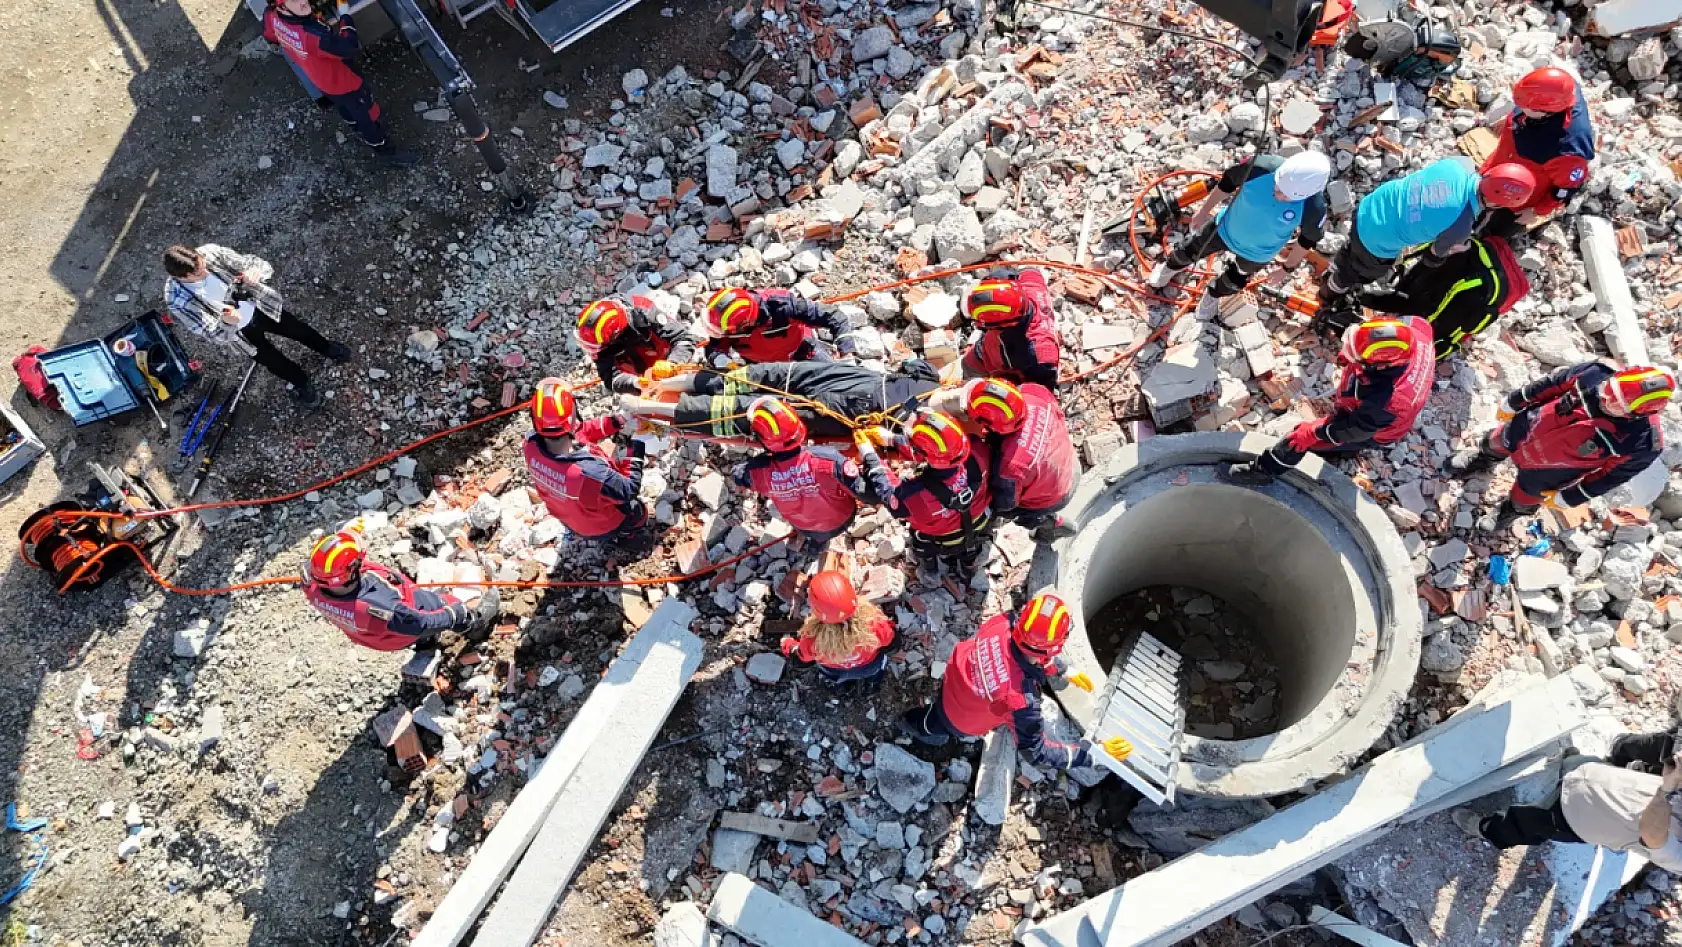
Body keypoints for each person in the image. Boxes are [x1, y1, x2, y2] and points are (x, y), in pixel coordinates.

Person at [897, 592, 1132, 771]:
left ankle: (920, 721)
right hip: (960, 717)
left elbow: (1023, 654)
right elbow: (1037, 753)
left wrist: (1062, 670)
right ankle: (913, 726)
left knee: (937, 712)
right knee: (935, 724)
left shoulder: (1002, 623)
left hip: (955, 678)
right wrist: (1092, 755)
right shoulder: (1021, 700)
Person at [1448, 363, 1671, 529]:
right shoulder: (1596, 373)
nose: (1603, 397)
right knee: (1495, 442)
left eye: (1615, 403)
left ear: (1638, 414)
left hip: (1553, 469)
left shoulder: (1642, 444)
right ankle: (1483, 460)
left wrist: (1571, 497)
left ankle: (1510, 512)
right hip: (1529, 426)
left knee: (1526, 497)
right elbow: (1552, 383)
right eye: (1608, 389)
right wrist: (1514, 401)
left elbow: (1609, 478)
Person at [1320, 158, 1538, 326]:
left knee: (1353, 249)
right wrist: (1455, 248)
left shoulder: (1457, 165)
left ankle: (1337, 265)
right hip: (1377, 241)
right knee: (1359, 272)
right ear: (1497, 203)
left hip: (1371, 205)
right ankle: (1330, 290)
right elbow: (1432, 257)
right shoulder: (1460, 226)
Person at [1227, 318, 1435, 483]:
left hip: (1377, 429)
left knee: (1301, 439)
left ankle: (1264, 471)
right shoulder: (1414, 329)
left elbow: (1355, 429)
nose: (1345, 351)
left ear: (1379, 366)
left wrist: (1312, 433)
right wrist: (1354, 353)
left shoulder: (1387, 401)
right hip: (1373, 401)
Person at [1452, 729, 1682, 871]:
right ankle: (1572, 764)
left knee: (1524, 824)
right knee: (1579, 763)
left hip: (1575, 816)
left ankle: (1487, 829)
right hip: (1602, 776)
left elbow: (1652, 834)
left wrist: (1666, 789)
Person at [162, 243, 352, 408]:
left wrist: (255, 272)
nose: (205, 272)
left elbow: (254, 262)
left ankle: (326, 348)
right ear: (182, 277)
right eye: (198, 274)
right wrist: (226, 323)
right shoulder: (175, 299)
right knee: (274, 362)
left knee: (299, 330)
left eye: (203, 264)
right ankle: (302, 383)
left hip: (261, 307)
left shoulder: (210, 253)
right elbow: (208, 331)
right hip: (240, 335)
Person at [1147, 152, 1332, 317]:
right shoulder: (1260, 167)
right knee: (1190, 248)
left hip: (1257, 253)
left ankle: (1214, 294)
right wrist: (1204, 211)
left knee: (1235, 279)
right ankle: (1171, 266)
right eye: (1277, 187)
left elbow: (1306, 241)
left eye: (1286, 196)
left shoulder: (1314, 208)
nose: (1278, 195)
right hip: (1225, 227)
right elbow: (1226, 183)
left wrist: (1286, 269)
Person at [622, 359, 950, 442]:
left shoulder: (928, 386)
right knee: (754, 390)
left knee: (751, 404)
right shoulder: (924, 422)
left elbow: (910, 366)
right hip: (848, 396)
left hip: (845, 399)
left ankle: (654, 402)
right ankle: (660, 393)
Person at [262, 0, 418, 166]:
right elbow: (348, 47)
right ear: (281, 7)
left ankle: (354, 126)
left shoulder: (271, 16)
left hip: (322, 81)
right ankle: (384, 149)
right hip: (346, 83)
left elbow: (270, 37)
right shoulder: (313, 37)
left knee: (344, 107)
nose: (303, 1)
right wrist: (344, 15)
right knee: (365, 115)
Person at [856, 410, 994, 586]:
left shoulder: (916, 495)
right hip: (979, 523)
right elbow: (937, 454)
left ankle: (930, 572)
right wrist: (892, 440)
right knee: (970, 551)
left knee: (921, 543)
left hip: (940, 539)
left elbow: (889, 494)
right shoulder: (979, 452)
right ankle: (968, 568)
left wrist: (872, 459)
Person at [304, 530, 498, 651]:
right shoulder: (379, 607)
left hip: (376, 636)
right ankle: (474, 625)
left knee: (409, 628)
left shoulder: (312, 581)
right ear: (351, 572)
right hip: (404, 625)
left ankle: (426, 642)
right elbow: (419, 623)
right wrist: (453, 615)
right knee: (445, 605)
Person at [730, 397, 879, 545]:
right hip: (843, 518)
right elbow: (869, 495)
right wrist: (870, 461)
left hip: (805, 527)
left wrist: (761, 461)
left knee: (815, 534)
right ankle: (821, 541)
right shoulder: (828, 459)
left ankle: (817, 542)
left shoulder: (758, 472)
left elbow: (737, 474)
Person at [1357, 236, 1530, 360]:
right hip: (1434, 295)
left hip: (1432, 286)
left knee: (1413, 300)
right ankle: (1360, 298)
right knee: (1417, 304)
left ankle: (1358, 297)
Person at [523, 378, 649, 541]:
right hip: (599, 527)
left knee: (594, 498)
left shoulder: (531, 446)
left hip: (567, 516)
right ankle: (627, 537)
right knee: (637, 511)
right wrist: (636, 445)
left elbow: (582, 431)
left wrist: (616, 421)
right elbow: (629, 490)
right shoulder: (590, 474)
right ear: (573, 417)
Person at [1477, 67, 1596, 239]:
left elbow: (1565, 189)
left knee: (1498, 230)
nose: (1519, 108)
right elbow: (1523, 108)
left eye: (1525, 106)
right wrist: (1509, 122)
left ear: (1546, 111)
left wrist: (1536, 211)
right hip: (1500, 165)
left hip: (1520, 196)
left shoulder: (1567, 152)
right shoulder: (1560, 88)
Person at [961, 378, 1080, 538]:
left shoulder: (1010, 467)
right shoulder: (1033, 391)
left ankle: (1048, 524)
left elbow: (1004, 504)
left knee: (1005, 511)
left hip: (1058, 493)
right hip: (1070, 461)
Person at [778, 570, 897, 692]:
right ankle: (873, 683)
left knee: (838, 678)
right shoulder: (874, 625)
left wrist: (787, 644)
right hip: (869, 666)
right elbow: (893, 644)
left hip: (835, 671)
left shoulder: (813, 640)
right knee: (874, 672)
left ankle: (842, 687)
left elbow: (800, 659)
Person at [959, 269, 1063, 392]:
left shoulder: (1038, 355)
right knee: (968, 365)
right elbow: (1029, 271)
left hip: (1009, 369)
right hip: (988, 351)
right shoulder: (1031, 287)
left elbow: (1040, 391)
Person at [701, 287, 856, 364]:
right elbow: (714, 347)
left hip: (801, 353)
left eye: (726, 332)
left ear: (745, 323)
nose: (723, 334)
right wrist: (721, 360)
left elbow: (834, 317)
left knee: (839, 379)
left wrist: (846, 354)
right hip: (761, 368)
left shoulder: (783, 307)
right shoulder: (726, 325)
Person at [577, 298, 697, 393]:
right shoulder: (598, 341)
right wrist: (634, 383)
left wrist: (673, 363)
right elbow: (610, 378)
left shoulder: (646, 314)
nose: (594, 350)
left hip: (665, 357)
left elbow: (683, 338)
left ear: (616, 334)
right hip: (640, 373)